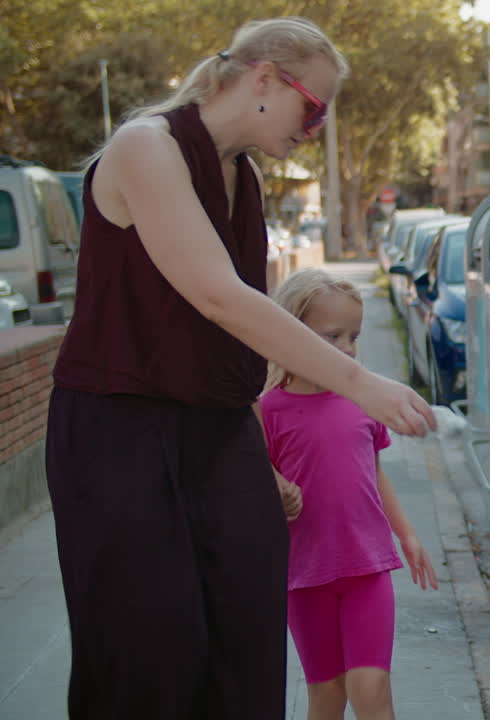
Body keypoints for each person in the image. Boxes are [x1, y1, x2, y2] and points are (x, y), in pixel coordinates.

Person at [45, 17, 437, 719]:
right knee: (149, 656)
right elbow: (219, 297)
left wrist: (261, 450)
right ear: (264, 78)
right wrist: (361, 384)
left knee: (246, 647)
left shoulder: (243, 176)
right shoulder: (146, 146)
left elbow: (236, 333)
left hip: (219, 431)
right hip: (120, 432)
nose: (314, 129)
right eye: (312, 109)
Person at [260, 268, 439, 720]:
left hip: (367, 566)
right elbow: (255, 484)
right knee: (327, 694)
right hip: (304, 574)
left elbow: (373, 471)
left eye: (353, 337)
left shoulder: (364, 400)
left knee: (371, 687)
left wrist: (407, 534)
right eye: (331, 337)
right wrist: (275, 486)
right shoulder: (268, 410)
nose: (346, 349)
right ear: (291, 333)